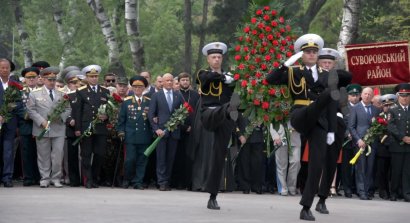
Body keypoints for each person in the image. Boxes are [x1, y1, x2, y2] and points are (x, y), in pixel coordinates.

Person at [266, 34, 341, 221]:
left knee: (316, 163)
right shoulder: (293, 71)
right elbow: (270, 80)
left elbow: (332, 105)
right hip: (300, 114)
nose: (312, 54)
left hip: (319, 120)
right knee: (323, 98)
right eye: (308, 51)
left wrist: (331, 129)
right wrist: (286, 64)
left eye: (315, 52)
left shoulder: (327, 75)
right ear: (301, 54)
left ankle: (306, 206)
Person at [196, 42, 240, 210]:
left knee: (219, 156)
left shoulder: (230, 76)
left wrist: (234, 80)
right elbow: (206, 79)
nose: (216, 59)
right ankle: (229, 109)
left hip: (225, 117)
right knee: (227, 107)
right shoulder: (203, 73)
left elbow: (235, 89)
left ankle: (212, 195)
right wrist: (223, 77)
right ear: (208, 59)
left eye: (219, 57)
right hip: (208, 113)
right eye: (213, 57)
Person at [26, 67, 71, 188]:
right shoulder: (34, 94)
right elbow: (30, 110)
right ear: (44, 80)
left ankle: (56, 178)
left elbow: (68, 109)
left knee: (58, 155)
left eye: (53, 79)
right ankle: (45, 178)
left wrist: (60, 116)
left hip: (58, 128)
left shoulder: (62, 94)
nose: (51, 82)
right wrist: (42, 121)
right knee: (43, 155)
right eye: (49, 79)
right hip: (42, 128)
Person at [73, 65, 110, 189]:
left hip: (101, 128)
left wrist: (107, 116)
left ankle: (94, 177)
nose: (94, 79)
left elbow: (110, 109)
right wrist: (78, 128)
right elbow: (77, 112)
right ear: (87, 78)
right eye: (91, 77)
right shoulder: (81, 91)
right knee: (86, 154)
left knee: (100, 154)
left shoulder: (105, 91)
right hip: (86, 128)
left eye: (96, 76)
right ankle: (88, 180)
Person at [148, 73, 183, 191]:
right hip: (161, 132)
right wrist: (156, 128)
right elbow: (151, 114)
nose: (169, 82)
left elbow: (183, 112)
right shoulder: (156, 96)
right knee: (161, 158)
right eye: (167, 80)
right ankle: (161, 181)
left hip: (174, 132)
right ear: (162, 82)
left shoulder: (178, 95)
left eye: (171, 80)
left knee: (170, 158)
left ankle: (167, 181)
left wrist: (180, 122)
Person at [117, 76, 152, 189]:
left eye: (140, 87)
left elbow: (152, 119)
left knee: (142, 160)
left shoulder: (149, 102)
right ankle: (127, 179)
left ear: (144, 88)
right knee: (130, 160)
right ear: (132, 88)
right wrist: (121, 131)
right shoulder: (126, 102)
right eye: (135, 87)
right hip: (130, 136)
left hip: (144, 135)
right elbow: (121, 119)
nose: (137, 89)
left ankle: (138, 181)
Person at [348, 87, 380, 200]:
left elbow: (379, 127)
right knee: (360, 167)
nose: (367, 96)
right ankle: (361, 191)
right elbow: (351, 127)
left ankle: (366, 190)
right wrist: (358, 140)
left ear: (372, 96)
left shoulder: (376, 110)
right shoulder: (355, 108)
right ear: (361, 95)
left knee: (370, 167)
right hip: (360, 143)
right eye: (365, 94)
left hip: (372, 143)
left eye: (369, 94)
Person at [172, 72, 199, 189]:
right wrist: (183, 127)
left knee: (190, 157)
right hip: (178, 129)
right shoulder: (175, 95)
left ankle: (189, 183)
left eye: (187, 80)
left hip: (193, 130)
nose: (185, 82)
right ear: (179, 82)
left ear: (190, 81)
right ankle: (177, 183)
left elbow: (198, 112)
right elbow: (172, 113)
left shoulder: (195, 95)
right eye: (182, 80)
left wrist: (193, 126)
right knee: (178, 157)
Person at [0, 58, 23, 187]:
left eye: (6, 67)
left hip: (10, 121)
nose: (4, 70)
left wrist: (9, 108)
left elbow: (20, 103)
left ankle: (7, 177)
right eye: (2, 67)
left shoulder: (15, 84)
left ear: (10, 69)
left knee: (8, 150)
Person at [387, 83, 410, 202]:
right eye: (402, 95)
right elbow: (390, 126)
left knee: (407, 171)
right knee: (396, 170)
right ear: (398, 96)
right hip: (397, 145)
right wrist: (402, 137)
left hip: (409, 146)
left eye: (407, 95)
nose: (405, 98)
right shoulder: (393, 110)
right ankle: (394, 193)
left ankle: (406, 193)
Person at [19, 67, 41, 186]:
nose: (31, 79)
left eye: (34, 77)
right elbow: (16, 107)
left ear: (38, 78)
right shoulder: (19, 92)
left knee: (41, 153)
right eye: (29, 77)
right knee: (27, 153)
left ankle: (39, 177)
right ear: (24, 79)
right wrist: (25, 115)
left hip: (40, 126)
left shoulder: (43, 91)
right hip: (26, 126)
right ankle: (28, 177)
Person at [341, 83, 362, 198]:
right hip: (347, 141)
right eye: (352, 95)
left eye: (356, 95)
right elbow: (341, 123)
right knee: (346, 167)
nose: (354, 97)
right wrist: (346, 134)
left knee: (360, 166)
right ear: (348, 96)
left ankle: (358, 188)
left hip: (360, 141)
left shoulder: (361, 107)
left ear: (360, 96)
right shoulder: (343, 108)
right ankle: (347, 188)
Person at [270, 121, 301, 196]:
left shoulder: (299, 108)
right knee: (281, 164)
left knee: (296, 162)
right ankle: (283, 187)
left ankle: (291, 186)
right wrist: (275, 136)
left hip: (295, 136)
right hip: (280, 137)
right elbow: (271, 119)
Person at [376, 94, 396, 199]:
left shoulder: (396, 115)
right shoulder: (378, 117)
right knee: (382, 171)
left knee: (393, 171)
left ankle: (392, 191)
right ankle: (382, 190)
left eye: (390, 105)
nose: (388, 107)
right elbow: (376, 132)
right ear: (382, 106)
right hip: (382, 148)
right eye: (386, 105)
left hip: (394, 147)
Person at [64, 70, 82, 187]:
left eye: (78, 82)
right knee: (72, 156)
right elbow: (63, 111)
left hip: (85, 129)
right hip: (71, 129)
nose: (76, 84)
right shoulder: (66, 96)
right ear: (68, 84)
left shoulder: (85, 95)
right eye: (73, 82)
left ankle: (85, 179)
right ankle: (74, 180)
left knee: (85, 156)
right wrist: (70, 119)